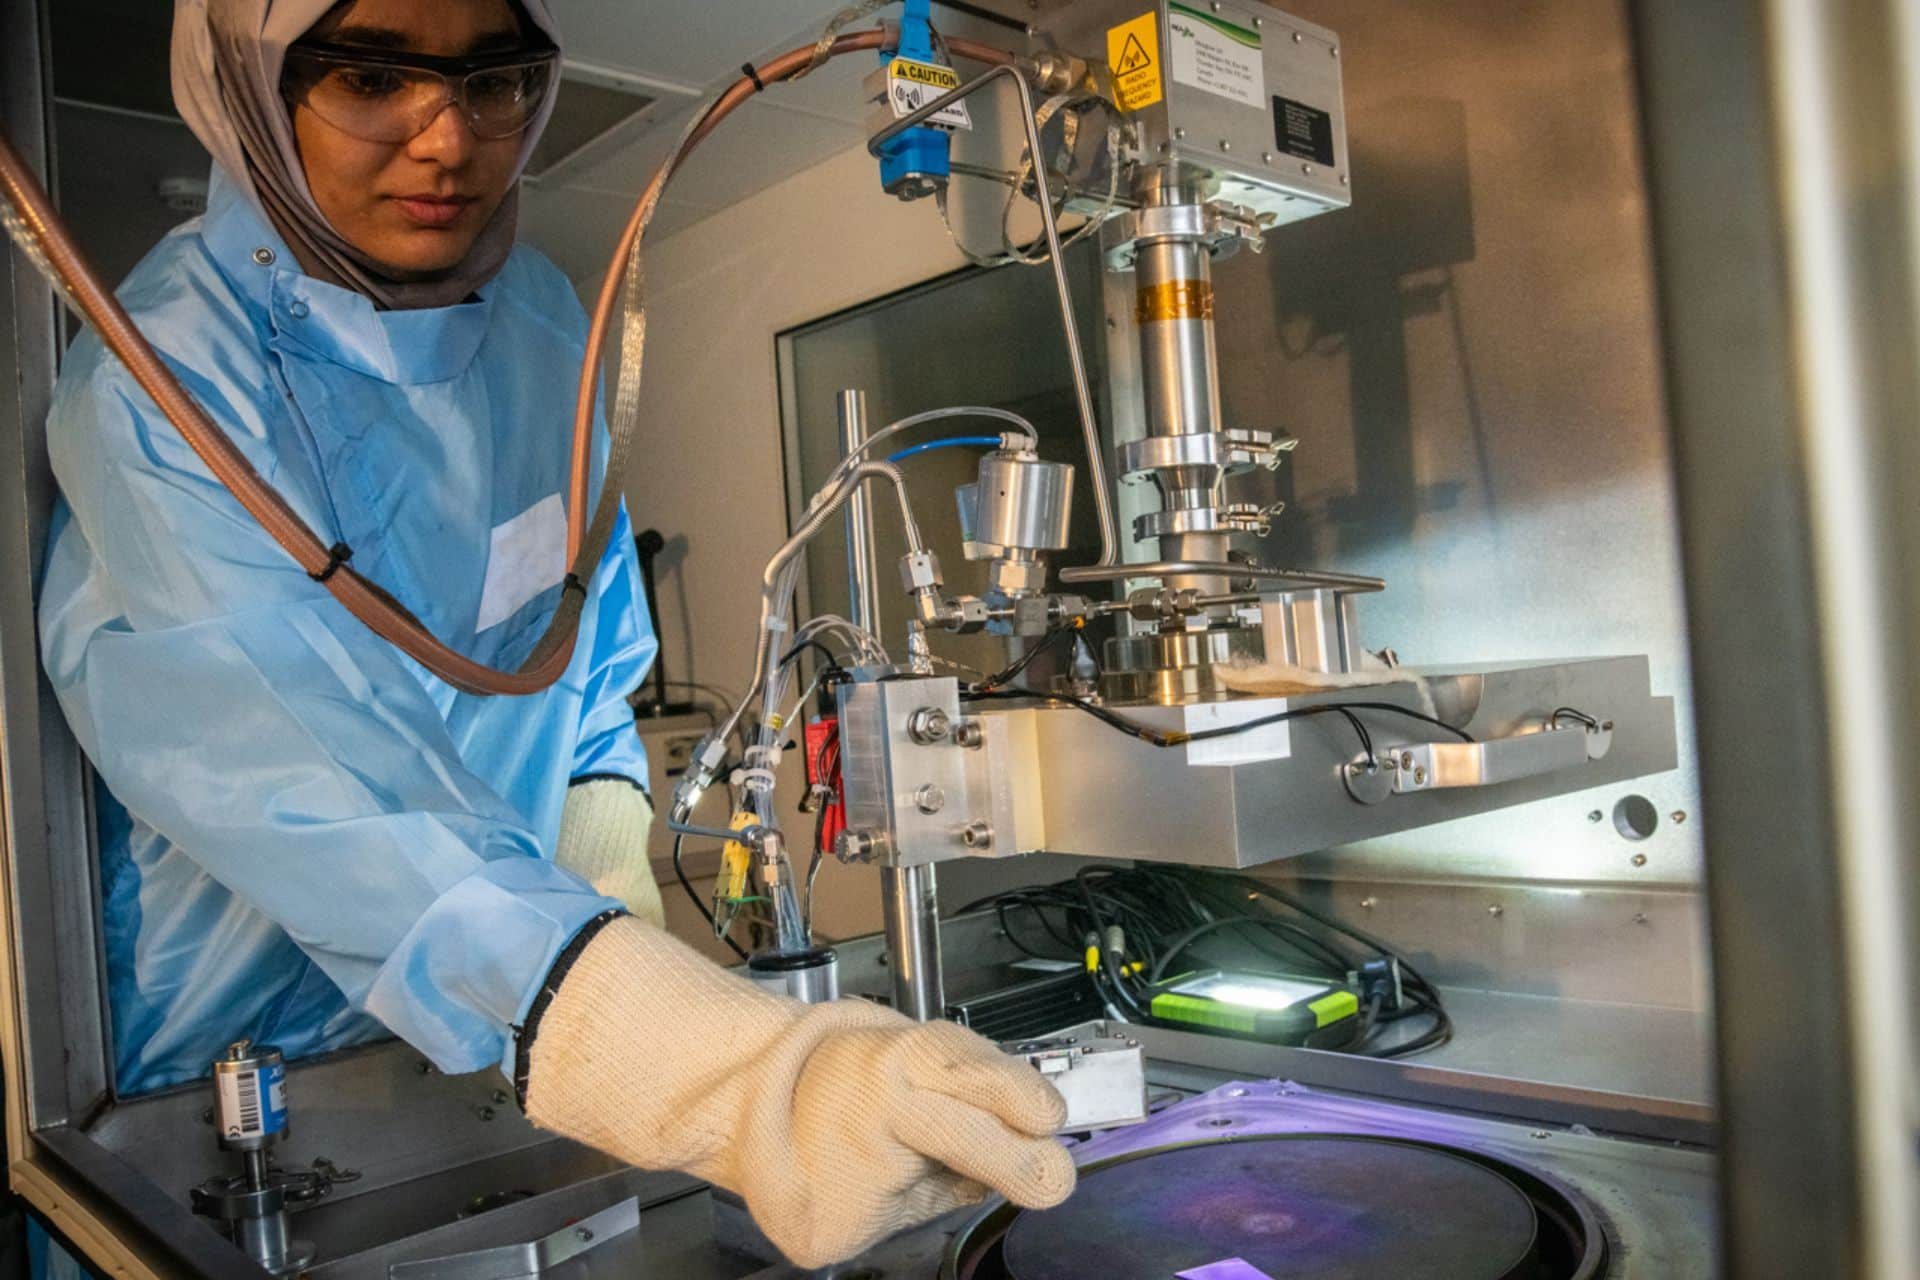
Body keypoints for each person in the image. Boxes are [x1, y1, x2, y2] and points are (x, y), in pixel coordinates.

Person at [32, 0, 1075, 1272]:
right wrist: (730, 1070)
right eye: (370, 72)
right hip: (231, 1090)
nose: (448, 140)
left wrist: (605, 873)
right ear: (249, 81)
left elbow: (580, 660)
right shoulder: (161, 380)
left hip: (520, 1043)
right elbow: (315, 778)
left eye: (496, 78)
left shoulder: (538, 329)